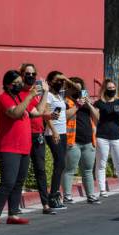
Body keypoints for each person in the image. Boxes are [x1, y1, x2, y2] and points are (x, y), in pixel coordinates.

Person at [0, 71, 47, 225]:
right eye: (17, 82)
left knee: (18, 182)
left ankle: (13, 214)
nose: (20, 84)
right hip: (8, 147)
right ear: (8, 84)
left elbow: (38, 112)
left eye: (21, 82)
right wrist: (29, 96)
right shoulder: (4, 98)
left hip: (24, 147)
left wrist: (44, 93)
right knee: (8, 181)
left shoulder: (21, 97)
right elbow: (15, 113)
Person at [18, 63, 54, 214]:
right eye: (28, 73)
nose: (31, 76)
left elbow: (41, 111)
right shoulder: (20, 92)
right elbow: (33, 112)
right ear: (22, 75)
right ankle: (16, 205)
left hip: (38, 135)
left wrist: (49, 116)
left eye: (33, 74)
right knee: (21, 172)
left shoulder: (37, 92)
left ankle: (45, 204)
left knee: (40, 170)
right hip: (25, 135)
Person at [44, 70, 79, 209]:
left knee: (61, 164)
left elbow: (77, 88)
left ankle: (54, 194)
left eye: (61, 81)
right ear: (50, 81)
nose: (60, 83)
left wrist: (66, 78)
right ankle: (53, 196)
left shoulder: (60, 95)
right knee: (59, 163)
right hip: (53, 133)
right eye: (57, 80)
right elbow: (46, 115)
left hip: (63, 133)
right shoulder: (48, 96)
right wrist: (53, 131)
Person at [62, 77, 98, 204]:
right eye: (75, 87)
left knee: (88, 170)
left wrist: (88, 104)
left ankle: (91, 195)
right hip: (73, 141)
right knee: (69, 169)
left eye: (80, 88)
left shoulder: (87, 102)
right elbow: (64, 116)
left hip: (89, 141)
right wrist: (77, 105)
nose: (78, 90)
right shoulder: (66, 101)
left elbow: (97, 117)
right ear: (69, 88)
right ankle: (67, 196)